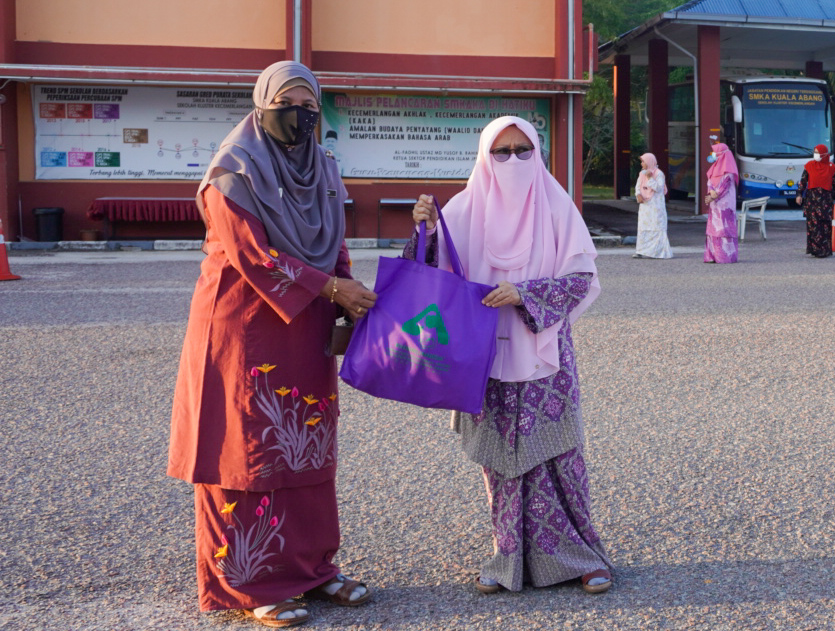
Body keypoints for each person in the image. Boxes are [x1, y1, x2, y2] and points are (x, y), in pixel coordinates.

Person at [168, 61, 377, 628]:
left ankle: (312, 568)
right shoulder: (232, 171)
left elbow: (333, 242)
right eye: (286, 104)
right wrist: (332, 287)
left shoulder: (324, 169)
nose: (299, 115)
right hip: (242, 325)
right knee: (245, 451)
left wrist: (344, 292)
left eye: (309, 106)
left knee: (304, 444)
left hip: (306, 323)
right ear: (261, 106)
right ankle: (248, 582)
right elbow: (254, 256)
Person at [406, 116, 614, 595]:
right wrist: (426, 231)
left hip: (543, 354)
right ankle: (509, 559)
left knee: (559, 459)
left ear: (538, 154)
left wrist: (525, 293)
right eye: (502, 152)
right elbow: (428, 279)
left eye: (524, 150)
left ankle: (582, 557)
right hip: (482, 358)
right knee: (500, 464)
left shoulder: (556, 205)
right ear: (485, 156)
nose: (514, 160)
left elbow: (581, 280)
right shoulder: (461, 210)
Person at [796, 144, 835, 258]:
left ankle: (824, 250)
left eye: (818, 152)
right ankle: (814, 249)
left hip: (825, 200)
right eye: (815, 152)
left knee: (825, 225)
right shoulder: (809, 166)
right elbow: (803, 181)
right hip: (812, 200)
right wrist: (799, 194)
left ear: (824, 154)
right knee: (812, 225)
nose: (815, 154)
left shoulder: (832, 167)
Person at [703, 142, 739, 263]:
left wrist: (713, 196)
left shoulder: (729, 171)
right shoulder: (713, 168)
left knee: (724, 229)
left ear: (721, 154)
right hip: (715, 205)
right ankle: (712, 256)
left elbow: (724, 187)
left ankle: (724, 257)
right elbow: (710, 183)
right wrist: (710, 194)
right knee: (713, 229)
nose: (713, 155)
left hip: (725, 205)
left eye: (715, 152)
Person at [633, 152, 673, 259]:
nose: (641, 164)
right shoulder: (642, 173)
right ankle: (641, 251)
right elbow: (638, 186)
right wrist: (638, 195)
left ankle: (657, 252)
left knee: (656, 226)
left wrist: (650, 178)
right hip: (645, 205)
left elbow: (659, 188)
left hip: (655, 206)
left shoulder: (659, 174)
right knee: (643, 226)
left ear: (649, 162)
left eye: (643, 161)